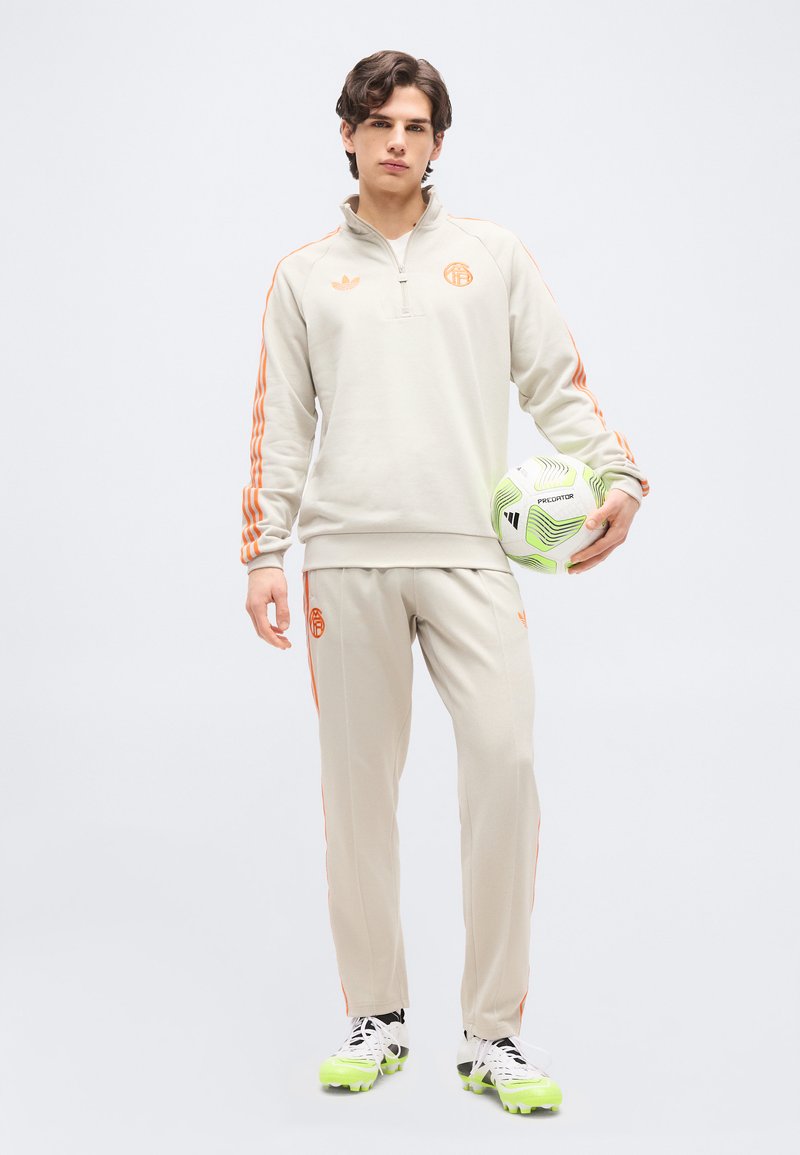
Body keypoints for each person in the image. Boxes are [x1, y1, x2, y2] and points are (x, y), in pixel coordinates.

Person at [241, 50, 649, 1114]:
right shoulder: (302, 275)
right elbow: (281, 429)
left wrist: (618, 475)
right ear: (346, 134)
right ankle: (376, 1017)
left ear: (436, 141)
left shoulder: (490, 255)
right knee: (357, 796)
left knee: (504, 766)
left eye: (415, 126)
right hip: (345, 561)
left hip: (472, 554)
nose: (396, 142)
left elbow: (557, 383)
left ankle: (491, 1033)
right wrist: (264, 553)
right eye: (378, 123)